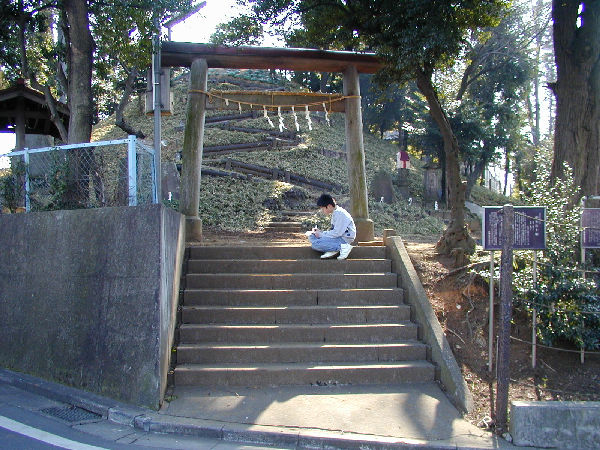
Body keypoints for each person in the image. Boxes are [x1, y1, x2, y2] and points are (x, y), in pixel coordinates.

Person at [307, 194, 356, 260]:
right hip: (337, 237)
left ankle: (343, 247)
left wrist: (321, 234)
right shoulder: (335, 213)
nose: (322, 210)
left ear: (329, 206)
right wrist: (321, 233)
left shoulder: (340, 213)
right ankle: (332, 250)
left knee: (315, 244)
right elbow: (334, 231)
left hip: (343, 239)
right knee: (312, 236)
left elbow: (337, 233)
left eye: (322, 208)